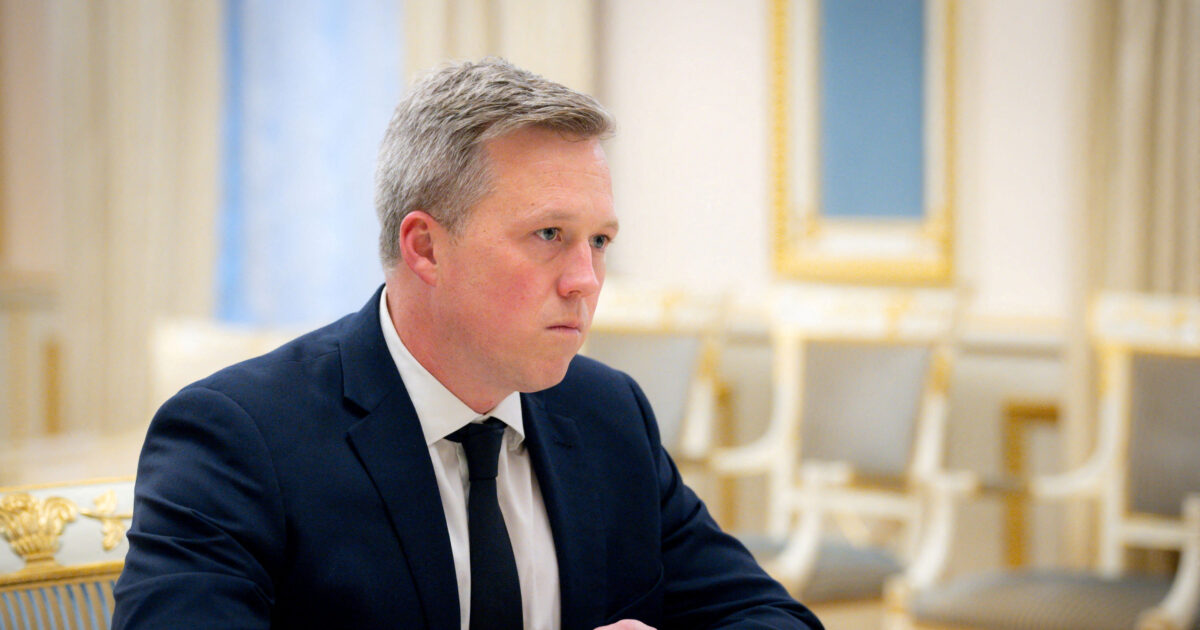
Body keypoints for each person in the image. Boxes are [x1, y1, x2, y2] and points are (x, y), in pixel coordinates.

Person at [113, 58, 821, 630]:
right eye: (549, 235)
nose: (585, 279)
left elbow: (773, 617)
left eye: (600, 241)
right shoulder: (240, 437)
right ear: (425, 246)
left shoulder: (608, 416)